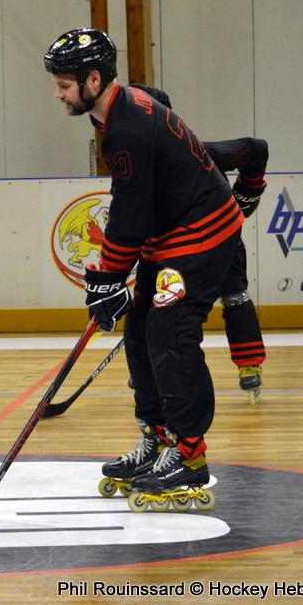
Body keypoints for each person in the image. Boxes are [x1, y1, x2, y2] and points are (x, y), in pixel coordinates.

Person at [45, 28, 243, 510]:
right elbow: (133, 199)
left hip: (201, 234)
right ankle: (157, 438)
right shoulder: (115, 111)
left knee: (170, 335)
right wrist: (109, 278)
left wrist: (108, 278)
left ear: (94, 79)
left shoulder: (126, 129)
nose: (58, 93)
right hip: (170, 232)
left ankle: (189, 455)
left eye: (64, 84)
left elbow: (131, 213)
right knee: (138, 333)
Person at [129, 85, 269, 404]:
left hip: (217, 238)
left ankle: (249, 363)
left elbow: (256, 149)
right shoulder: (133, 161)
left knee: (234, 295)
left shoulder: (198, 152)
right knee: (156, 306)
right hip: (172, 247)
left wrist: (243, 201)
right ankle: (152, 368)